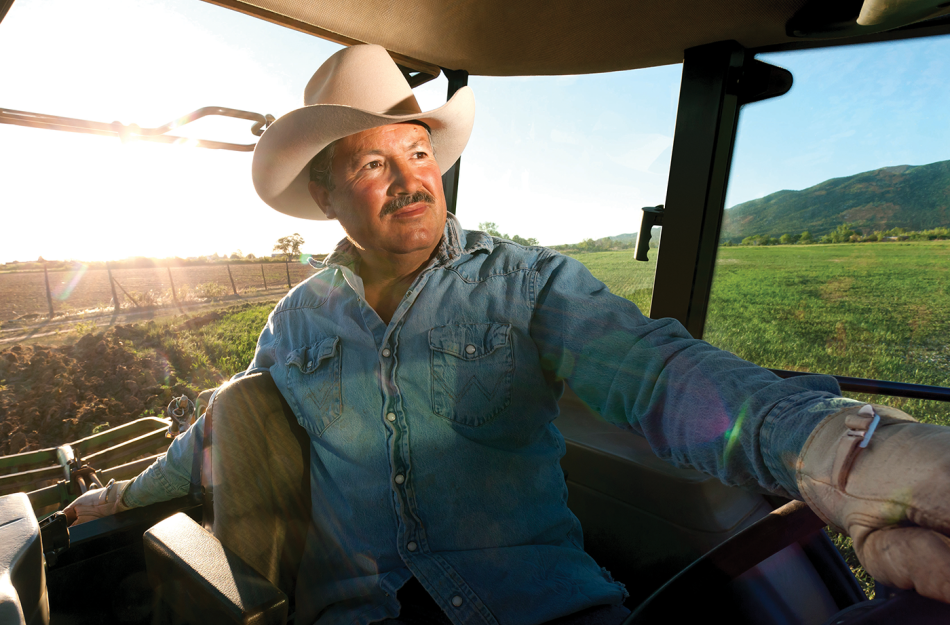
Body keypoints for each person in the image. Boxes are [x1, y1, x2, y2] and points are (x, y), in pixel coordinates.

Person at [66, 44, 950, 625]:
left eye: (420, 155)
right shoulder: (297, 321)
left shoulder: (526, 284)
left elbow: (661, 375)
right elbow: (217, 433)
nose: (412, 179)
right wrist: (116, 500)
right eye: (375, 163)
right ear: (328, 196)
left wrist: (843, 454)